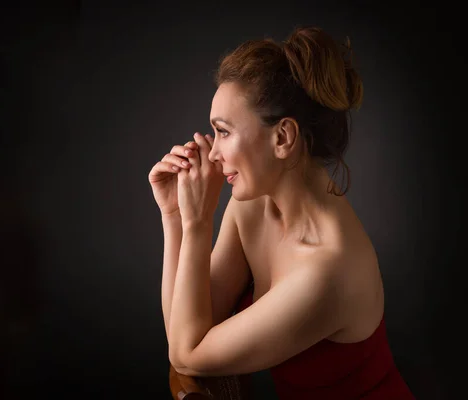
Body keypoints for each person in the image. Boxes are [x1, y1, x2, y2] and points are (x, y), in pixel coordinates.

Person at [149, 25, 415, 399]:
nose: (212, 153)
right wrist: (174, 217)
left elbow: (187, 354)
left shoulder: (328, 270)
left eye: (223, 132)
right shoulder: (254, 207)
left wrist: (197, 225)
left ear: (283, 138)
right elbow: (185, 329)